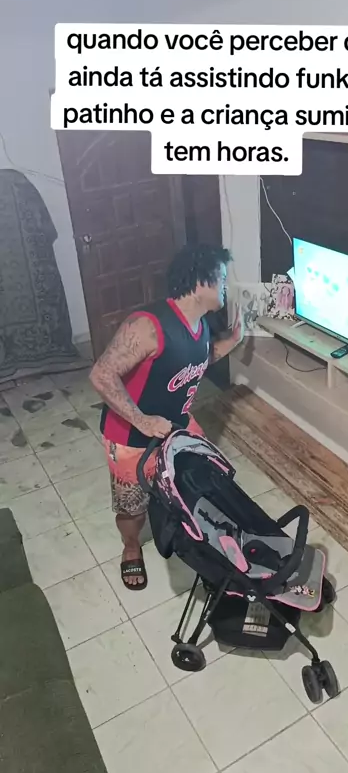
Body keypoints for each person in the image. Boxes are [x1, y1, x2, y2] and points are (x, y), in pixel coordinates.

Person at [90, 244, 244, 591]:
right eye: (221, 278)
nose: (225, 285)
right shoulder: (148, 325)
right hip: (130, 436)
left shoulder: (200, 324)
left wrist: (234, 340)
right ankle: (131, 547)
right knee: (133, 507)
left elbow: (196, 362)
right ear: (201, 281)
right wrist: (143, 420)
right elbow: (101, 374)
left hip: (177, 425)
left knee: (202, 482)